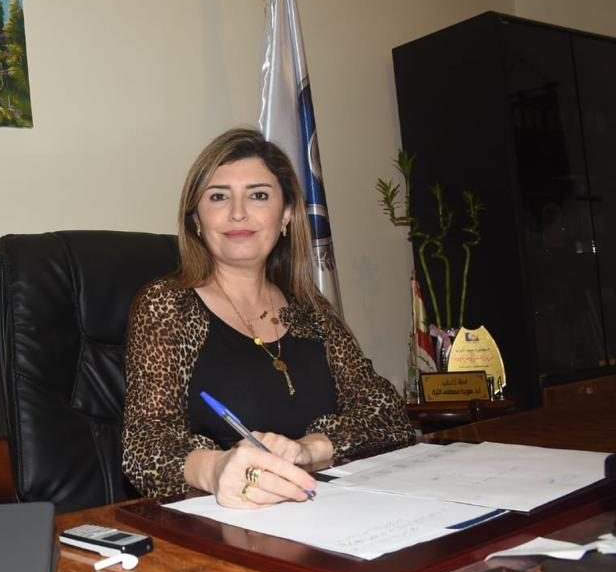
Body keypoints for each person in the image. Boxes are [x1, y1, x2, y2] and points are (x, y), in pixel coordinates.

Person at [122, 127, 414, 508]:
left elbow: (388, 414)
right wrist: (217, 469)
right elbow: (144, 447)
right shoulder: (167, 306)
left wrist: (309, 449)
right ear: (196, 219)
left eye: (258, 195)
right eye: (218, 197)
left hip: (327, 511)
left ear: (287, 214)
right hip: (227, 519)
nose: (238, 212)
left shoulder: (310, 311)